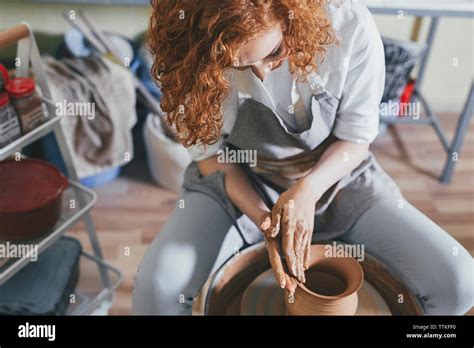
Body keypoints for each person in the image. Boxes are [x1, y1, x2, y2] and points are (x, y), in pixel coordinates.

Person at [132, 0, 472, 315]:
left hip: (336, 177)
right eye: (237, 65)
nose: (262, 74)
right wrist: (267, 221)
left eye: (274, 52)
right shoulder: (189, 56)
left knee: (459, 283)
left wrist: (307, 191)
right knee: (158, 288)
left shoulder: (347, 24)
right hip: (240, 179)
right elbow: (211, 158)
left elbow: (355, 139)